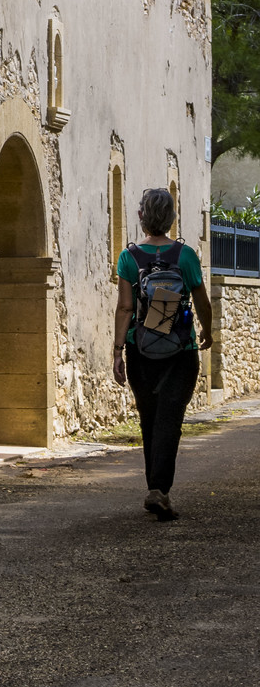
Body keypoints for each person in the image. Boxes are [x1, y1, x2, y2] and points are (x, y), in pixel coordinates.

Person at [112, 185, 212, 521]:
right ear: (171, 218)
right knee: (170, 419)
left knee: (149, 419)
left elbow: (125, 307)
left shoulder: (128, 257)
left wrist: (117, 351)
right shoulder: (185, 256)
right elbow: (201, 300)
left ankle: (156, 488)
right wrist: (207, 333)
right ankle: (159, 490)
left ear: (141, 217)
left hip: (140, 349)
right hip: (180, 350)